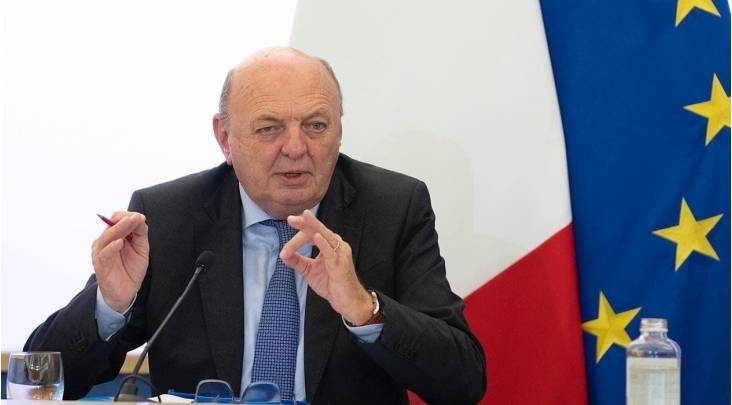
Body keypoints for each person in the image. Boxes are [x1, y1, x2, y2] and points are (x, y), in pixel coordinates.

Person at [25, 47, 486, 404]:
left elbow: (463, 383)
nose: (295, 147)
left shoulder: (393, 207)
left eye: (316, 126)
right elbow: (38, 381)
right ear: (225, 137)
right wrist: (110, 304)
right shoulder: (168, 216)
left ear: (339, 130)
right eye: (269, 128)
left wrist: (366, 311)